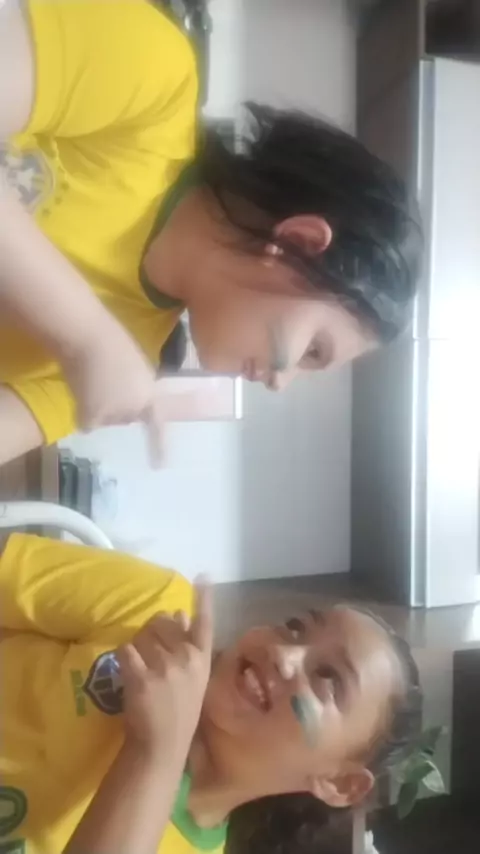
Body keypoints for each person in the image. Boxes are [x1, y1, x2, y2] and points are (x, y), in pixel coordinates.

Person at [0, 0, 423, 465]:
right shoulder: (155, 79)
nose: (280, 383)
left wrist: (92, 346)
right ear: (298, 242)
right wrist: (85, 334)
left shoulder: (129, 355)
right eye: (313, 350)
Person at [0, 533, 423, 854]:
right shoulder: (160, 610)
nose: (284, 653)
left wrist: (158, 751)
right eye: (295, 628)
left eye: (327, 679)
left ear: (339, 783)